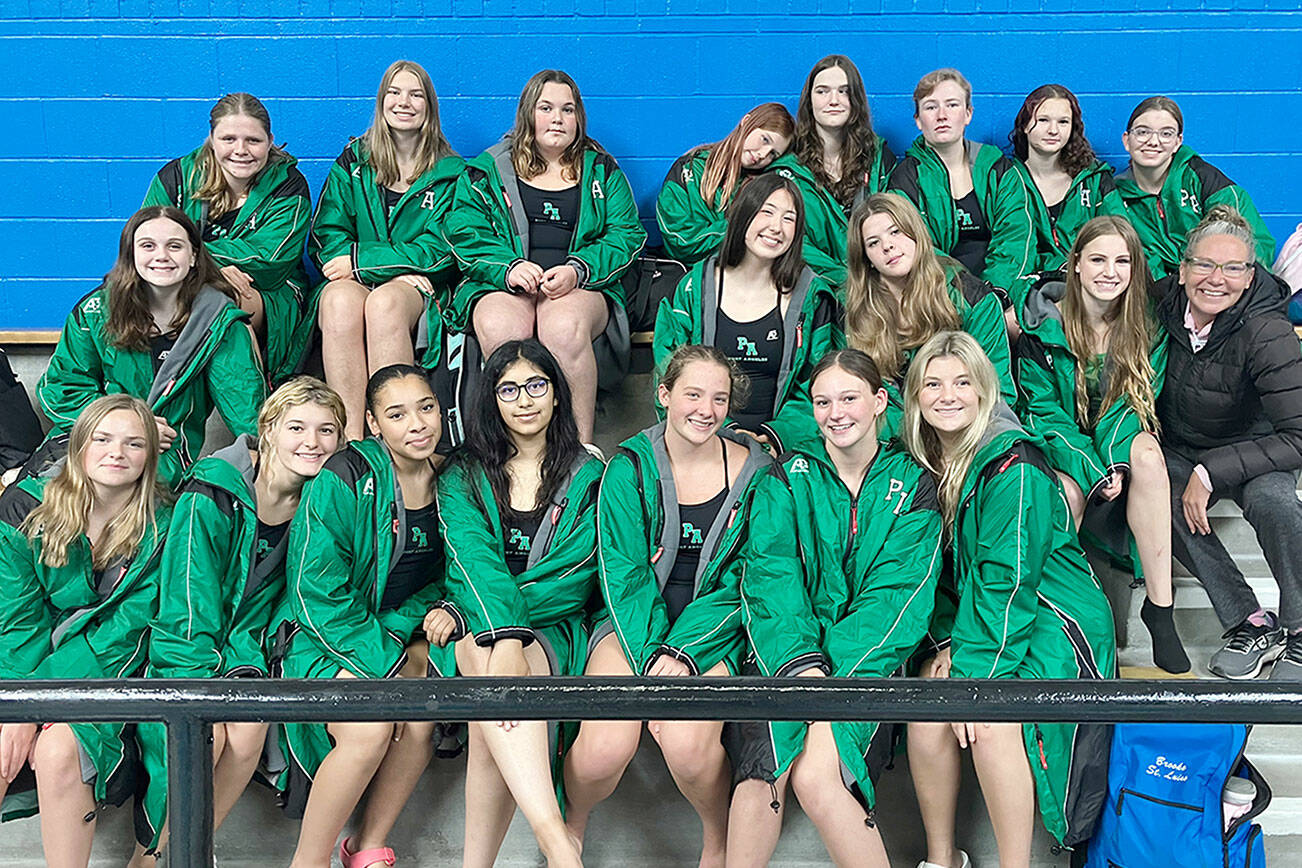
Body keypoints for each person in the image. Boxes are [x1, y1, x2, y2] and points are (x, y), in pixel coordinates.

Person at [901, 331, 1115, 868]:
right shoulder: (926, 461)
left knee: (991, 720)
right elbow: (938, 576)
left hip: (1053, 615)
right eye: (933, 384)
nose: (948, 396)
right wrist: (946, 645)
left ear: (984, 390)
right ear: (915, 396)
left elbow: (1008, 579)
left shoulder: (1013, 464)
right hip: (981, 619)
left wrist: (974, 674)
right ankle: (943, 859)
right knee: (926, 708)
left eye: (962, 382)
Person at [726, 349, 943, 868]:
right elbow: (771, 579)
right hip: (785, 657)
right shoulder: (785, 476)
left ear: (880, 401)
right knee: (762, 772)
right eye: (822, 402)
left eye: (849, 398)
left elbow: (897, 600)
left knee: (817, 777)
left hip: (868, 664)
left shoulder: (914, 483)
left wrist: (832, 676)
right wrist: (801, 665)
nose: (835, 413)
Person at [563, 345, 771, 868]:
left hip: (714, 631)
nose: (706, 409)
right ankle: (572, 827)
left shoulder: (759, 473)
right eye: (693, 394)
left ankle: (717, 839)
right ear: (663, 394)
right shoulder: (629, 467)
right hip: (631, 624)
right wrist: (655, 654)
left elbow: (751, 577)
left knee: (685, 744)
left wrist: (684, 651)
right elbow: (623, 572)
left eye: (719, 398)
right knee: (603, 749)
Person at [135, 377, 346, 853]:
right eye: (296, 427)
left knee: (249, 732)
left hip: (245, 645)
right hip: (188, 639)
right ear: (267, 430)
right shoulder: (213, 490)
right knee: (203, 737)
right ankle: (152, 858)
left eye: (326, 430)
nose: (312, 442)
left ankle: (192, 850)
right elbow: (188, 596)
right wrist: (196, 679)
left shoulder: (321, 501)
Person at [276, 365, 462, 868]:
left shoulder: (454, 477)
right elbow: (315, 590)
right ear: (374, 424)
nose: (417, 424)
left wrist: (409, 632)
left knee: (420, 718)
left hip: (397, 630)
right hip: (323, 634)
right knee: (369, 727)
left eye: (426, 408)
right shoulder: (345, 475)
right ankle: (309, 861)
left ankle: (367, 846)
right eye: (397, 415)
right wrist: (386, 661)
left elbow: (455, 575)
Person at [439, 339, 601, 868]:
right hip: (483, 626)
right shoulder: (462, 473)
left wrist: (499, 628)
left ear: (556, 394)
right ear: (491, 399)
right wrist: (504, 632)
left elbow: (575, 572)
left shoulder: (589, 473)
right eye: (508, 389)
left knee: (487, 678)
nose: (524, 399)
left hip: (553, 626)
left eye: (536, 385)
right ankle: (558, 845)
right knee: (487, 663)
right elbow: (471, 560)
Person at [0, 395, 167, 867]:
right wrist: (16, 705)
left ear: (150, 456)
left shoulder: (166, 523)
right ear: (77, 446)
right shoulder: (24, 508)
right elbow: (17, 623)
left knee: (60, 748)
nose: (117, 452)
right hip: (29, 663)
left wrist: (35, 704)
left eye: (134, 443)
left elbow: (124, 632)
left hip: (117, 670)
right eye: (102, 439)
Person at [1018, 216, 1189, 673]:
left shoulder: (1147, 325)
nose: (1110, 272)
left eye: (1122, 261)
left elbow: (1134, 402)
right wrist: (1092, 470)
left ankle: (1161, 609)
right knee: (1067, 493)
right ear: (1075, 263)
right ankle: (1057, 613)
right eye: (1097, 259)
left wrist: (1114, 464)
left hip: (1118, 443)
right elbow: (1044, 413)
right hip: (1062, 449)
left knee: (1148, 454)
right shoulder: (1042, 326)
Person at [444, 69, 647, 443]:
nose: (558, 119)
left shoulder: (602, 170)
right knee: (502, 327)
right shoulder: (489, 170)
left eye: (568, 110)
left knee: (562, 326)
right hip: (507, 283)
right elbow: (465, 231)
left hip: (578, 287)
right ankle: (510, 447)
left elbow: (627, 235)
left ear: (578, 118)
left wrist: (578, 270)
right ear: (528, 114)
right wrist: (508, 268)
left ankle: (579, 448)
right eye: (546, 108)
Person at [1153, 205, 1302, 681]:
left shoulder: (1267, 330)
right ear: (1182, 270)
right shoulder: (1161, 305)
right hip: (1184, 445)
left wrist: (1211, 471)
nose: (1217, 279)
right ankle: (1249, 622)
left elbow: (1299, 436)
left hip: (1259, 447)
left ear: (1250, 275)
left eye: (1233, 268)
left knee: (1275, 503)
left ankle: (1300, 627)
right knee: (1153, 494)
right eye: (1204, 264)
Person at [37, 206, 267, 489]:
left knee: (126, 498)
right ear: (130, 254)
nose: (162, 255)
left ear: (194, 256)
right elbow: (62, 390)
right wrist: (132, 426)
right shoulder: (95, 312)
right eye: (148, 246)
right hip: (89, 438)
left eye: (175, 246)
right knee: (27, 497)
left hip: (164, 455)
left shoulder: (219, 322)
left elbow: (246, 409)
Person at [309, 60, 466, 440]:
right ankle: (352, 441)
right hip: (360, 281)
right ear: (381, 101)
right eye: (394, 93)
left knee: (385, 303)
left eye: (415, 94)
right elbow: (328, 236)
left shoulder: (453, 173)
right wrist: (389, 267)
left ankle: (392, 442)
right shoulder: (353, 162)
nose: (403, 102)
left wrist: (362, 261)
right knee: (337, 301)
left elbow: (443, 249)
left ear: (430, 106)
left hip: (423, 290)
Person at [654, 173, 840, 454]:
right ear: (743, 214)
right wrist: (722, 433)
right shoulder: (695, 287)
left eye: (788, 218)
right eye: (767, 212)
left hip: (783, 449)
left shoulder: (812, 296)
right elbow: (668, 370)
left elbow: (820, 383)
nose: (776, 227)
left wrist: (777, 437)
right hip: (703, 436)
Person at [143, 92, 312, 382]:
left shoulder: (288, 185)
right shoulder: (177, 178)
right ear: (212, 139)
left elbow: (271, 261)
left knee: (221, 302)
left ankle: (252, 403)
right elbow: (146, 245)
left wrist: (197, 259)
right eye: (229, 139)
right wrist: (210, 269)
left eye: (253, 140)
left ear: (270, 141)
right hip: (182, 285)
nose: (241, 150)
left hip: (267, 292)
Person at [843, 192, 1013, 440]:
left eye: (896, 232)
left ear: (916, 234)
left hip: (966, 429)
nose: (887, 246)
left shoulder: (973, 299)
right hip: (892, 438)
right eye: (873, 243)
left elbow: (997, 389)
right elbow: (855, 397)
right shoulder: (856, 310)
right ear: (865, 258)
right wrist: (908, 437)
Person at [888, 68, 1033, 321]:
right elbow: (917, 251)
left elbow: (1016, 238)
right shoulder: (906, 178)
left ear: (968, 114)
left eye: (952, 105)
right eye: (931, 107)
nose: (942, 115)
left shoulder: (997, 169)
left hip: (1000, 292)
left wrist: (994, 294)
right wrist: (968, 298)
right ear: (918, 120)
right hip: (938, 295)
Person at [769, 54, 896, 287]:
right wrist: (847, 282)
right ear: (809, 101)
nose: (834, 100)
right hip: (811, 286)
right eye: (822, 91)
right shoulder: (787, 169)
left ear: (856, 100)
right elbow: (792, 241)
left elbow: (897, 226)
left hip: (878, 282)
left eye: (844, 91)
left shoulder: (879, 159)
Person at [1116, 96, 1275, 279]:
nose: (1153, 141)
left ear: (1178, 142)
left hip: (1216, 283)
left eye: (1166, 134)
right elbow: (1137, 258)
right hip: (1161, 289)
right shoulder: (1116, 196)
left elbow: (1256, 247)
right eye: (1143, 132)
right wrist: (1170, 289)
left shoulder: (1205, 181)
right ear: (1127, 140)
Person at [1007, 84, 1127, 275]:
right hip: (1032, 284)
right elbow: (1010, 250)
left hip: (1091, 279)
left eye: (1063, 122)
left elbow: (1121, 235)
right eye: (1043, 120)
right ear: (1025, 126)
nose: (1053, 130)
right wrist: (1058, 267)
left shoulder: (1094, 178)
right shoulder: (1007, 180)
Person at [656, 102, 794, 264]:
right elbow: (682, 242)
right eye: (764, 139)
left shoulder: (763, 187)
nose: (763, 154)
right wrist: (740, 225)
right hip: (690, 274)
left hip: (742, 275)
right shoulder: (691, 168)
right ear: (746, 121)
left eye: (773, 154)